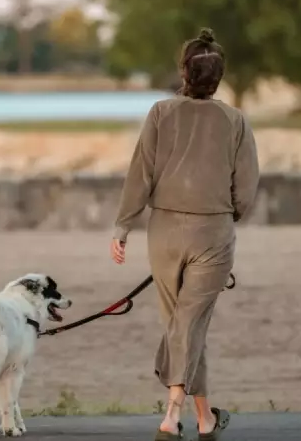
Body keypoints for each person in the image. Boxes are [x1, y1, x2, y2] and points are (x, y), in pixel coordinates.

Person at [109, 28, 260, 441]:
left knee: (184, 325)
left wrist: (124, 225)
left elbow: (140, 172)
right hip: (213, 231)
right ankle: (172, 414)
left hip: (164, 233)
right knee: (189, 325)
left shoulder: (160, 112)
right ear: (219, 77)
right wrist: (229, 215)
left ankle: (206, 419)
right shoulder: (236, 120)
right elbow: (246, 189)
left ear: (184, 72)